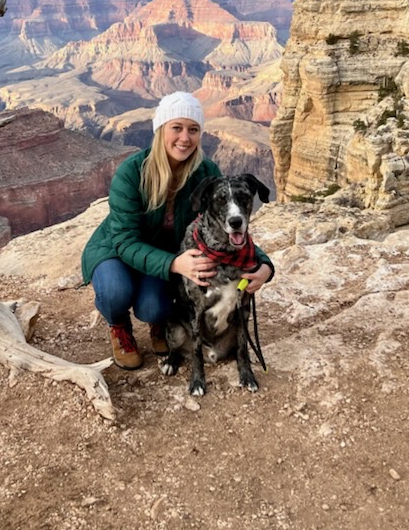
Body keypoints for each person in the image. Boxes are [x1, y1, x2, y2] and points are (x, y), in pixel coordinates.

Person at [80, 91, 275, 369]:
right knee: (114, 292)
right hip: (118, 251)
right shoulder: (131, 173)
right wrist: (174, 263)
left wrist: (265, 265)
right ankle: (119, 326)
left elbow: (224, 227)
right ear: (160, 129)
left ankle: (159, 325)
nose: (185, 138)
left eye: (193, 130)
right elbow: (124, 240)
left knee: (155, 307)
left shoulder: (206, 171)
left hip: (160, 255)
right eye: (177, 128)